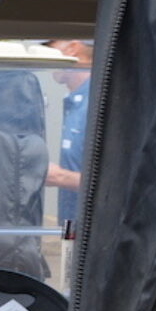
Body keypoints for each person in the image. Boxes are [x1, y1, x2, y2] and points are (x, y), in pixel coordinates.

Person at [44, 38, 93, 226]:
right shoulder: (76, 101)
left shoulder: (97, 103)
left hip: (95, 231)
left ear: (72, 48)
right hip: (73, 228)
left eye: (48, 47)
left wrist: (59, 177)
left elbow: (117, 183)